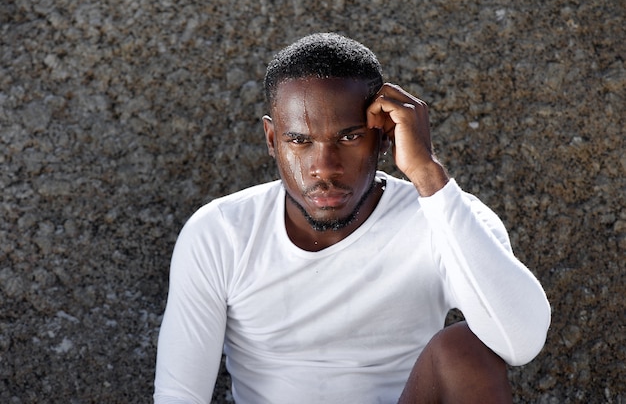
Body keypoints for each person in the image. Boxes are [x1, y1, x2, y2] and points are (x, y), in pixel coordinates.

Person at [154, 33, 551, 404]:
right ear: (272, 140)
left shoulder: (442, 216)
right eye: (299, 140)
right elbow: (179, 395)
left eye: (348, 138)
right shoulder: (221, 231)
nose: (324, 168)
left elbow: (519, 343)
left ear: (382, 136)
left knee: (465, 350)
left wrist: (428, 175)